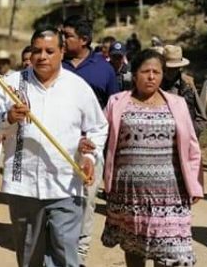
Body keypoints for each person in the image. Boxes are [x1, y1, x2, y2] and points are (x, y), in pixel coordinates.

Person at [0, 29, 108, 267]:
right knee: (29, 255)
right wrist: (8, 117)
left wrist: (90, 156)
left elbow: (98, 127)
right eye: (37, 50)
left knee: (65, 254)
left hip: (66, 184)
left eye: (50, 51)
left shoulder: (77, 87)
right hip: (24, 186)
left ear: (62, 52)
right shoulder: (12, 84)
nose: (42, 56)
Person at [101, 48, 204, 267]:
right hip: (128, 192)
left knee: (171, 253)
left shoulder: (177, 104)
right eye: (145, 71)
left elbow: (192, 146)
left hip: (170, 193)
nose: (150, 77)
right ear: (134, 74)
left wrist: (194, 184)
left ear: (162, 74)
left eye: (156, 72)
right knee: (133, 245)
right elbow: (100, 136)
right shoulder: (117, 102)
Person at [60, 15, 119, 265]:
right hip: (59, 145)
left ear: (84, 40)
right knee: (60, 199)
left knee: (86, 201)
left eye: (68, 35)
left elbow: (114, 107)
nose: (63, 39)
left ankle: (80, 256)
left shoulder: (104, 69)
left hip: (92, 148)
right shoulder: (56, 65)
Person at [159, 45, 207, 136]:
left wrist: (189, 131)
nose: (171, 72)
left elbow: (202, 118)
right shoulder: (155, 84)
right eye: (168, 68)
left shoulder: (188, 85)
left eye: (175, 69)